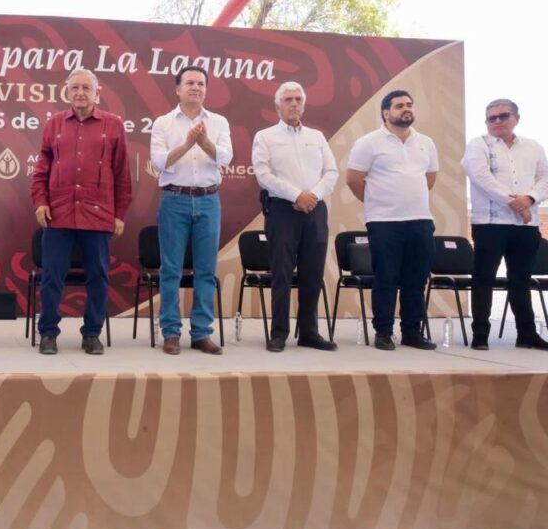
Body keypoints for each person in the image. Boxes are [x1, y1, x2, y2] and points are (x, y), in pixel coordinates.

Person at [30, 68, 131, 355]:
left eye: (86, 88)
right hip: (58, 213)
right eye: (75, 87)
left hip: (98, 214)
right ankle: (48, 333)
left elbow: (122, 173)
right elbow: (41, 170)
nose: (80, 93)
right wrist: (40, 201)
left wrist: (119, 212)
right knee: (52, 276)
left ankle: (92, 333)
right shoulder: (54, 124)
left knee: (98, 276)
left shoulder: (113, 125)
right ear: (67, 91)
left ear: (97, 92)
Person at [346, 90, 438, 350]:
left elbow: (429, 178)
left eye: (409, 104)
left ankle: (412, 332)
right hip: (384, 222)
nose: (406, 109)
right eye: (399, 106)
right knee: (386, 278)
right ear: (386, 113)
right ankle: (383, 332)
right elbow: (354, 180)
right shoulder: (369, 142)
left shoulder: (426, 143)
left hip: (420, 221)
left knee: (416, 279)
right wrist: (379, 201)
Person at [149, 65, 231, 355]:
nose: (196, 87)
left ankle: (201, 333)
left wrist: (204, 142)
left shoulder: (219, 122)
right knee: (170, 269)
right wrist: (187, 144)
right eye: (190, 83)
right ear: (178, 89)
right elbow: (159, 163)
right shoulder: (163, 123)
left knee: (206, 270)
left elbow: (225, 157)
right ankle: (171, 332)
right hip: (175, 200)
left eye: (201, 83)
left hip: (209, 200)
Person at [252, 81, 339, 352]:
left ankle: (309, 332)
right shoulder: (265, 137)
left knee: (313, 273)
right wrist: (296, 195)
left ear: (304, 103)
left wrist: (312, 195)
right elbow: (263, 174)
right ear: (277, 106)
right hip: (282, 211)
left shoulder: (317, 136)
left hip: (315, 210)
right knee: (281, 273)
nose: (294, 104)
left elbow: (332, 172)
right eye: (288, 99)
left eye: (298, 99)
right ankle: (279, 333)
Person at [461, 98, 548, 350]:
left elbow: (544, 179)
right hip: (490, 223)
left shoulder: (532, 147)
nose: (497, 121)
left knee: (521, 280)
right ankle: (480, 335)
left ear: (516, 118)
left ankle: (526, 334)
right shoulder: (478, 145)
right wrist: (517, 204)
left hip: (526, 226)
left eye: (504, 116)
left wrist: (529, 199)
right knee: (483, 278)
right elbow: (482, 179)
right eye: (492, 118)